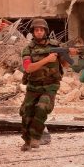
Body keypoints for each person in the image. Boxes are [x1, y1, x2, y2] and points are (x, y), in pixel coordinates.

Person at [19, 19, 76, 151]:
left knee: (42, 107)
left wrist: (67, 54)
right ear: (33, 32)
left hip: (50, 86)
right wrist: (47, 59)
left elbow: (66, 65)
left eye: (41, 30)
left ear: (45, 31)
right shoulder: (28, 49)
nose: (39, 32)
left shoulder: (55, 46)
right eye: (36, 30)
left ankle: (36, 137)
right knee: (26, 113)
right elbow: (28, 68)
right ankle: (27, 140)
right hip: (33, 86)